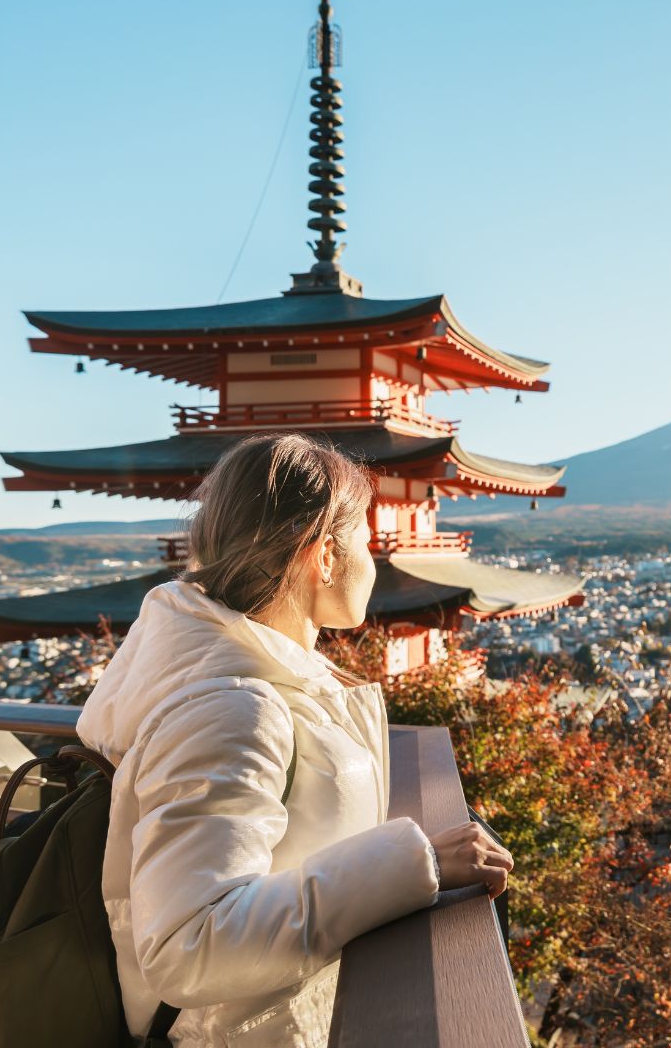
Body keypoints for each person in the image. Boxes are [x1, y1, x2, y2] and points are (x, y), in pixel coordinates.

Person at [76, 432, 514, 1047]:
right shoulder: (233, 707)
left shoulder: (243, 674)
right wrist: (421, 864)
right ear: (323, 557)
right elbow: (188, 945)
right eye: (364, 537)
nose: (374, 556)